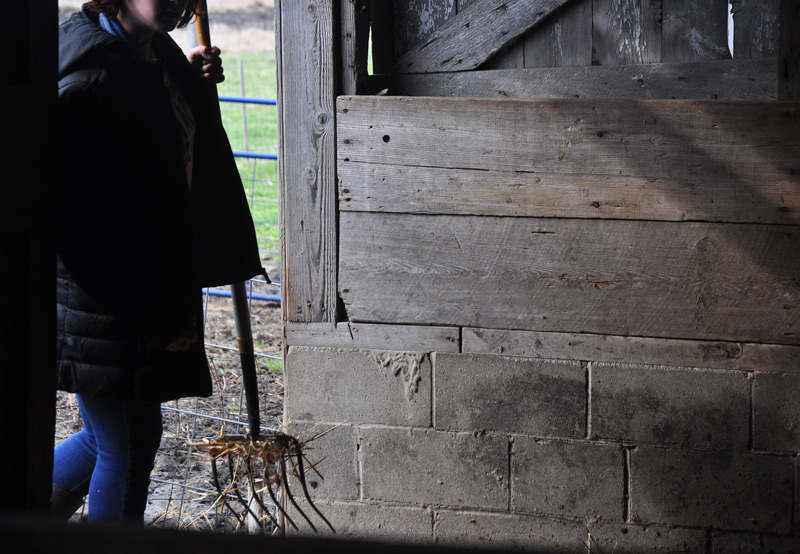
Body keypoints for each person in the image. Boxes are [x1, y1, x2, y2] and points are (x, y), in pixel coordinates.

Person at [53, 0, 264, 524]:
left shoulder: (152, 52)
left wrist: (190, 82)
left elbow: (162, 157)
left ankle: (23, 518)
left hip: (143, 283)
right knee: (125, 445)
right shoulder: (93, 81)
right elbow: (84, 234)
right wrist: (155, 316)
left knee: (114, 436)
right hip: (109, 300)